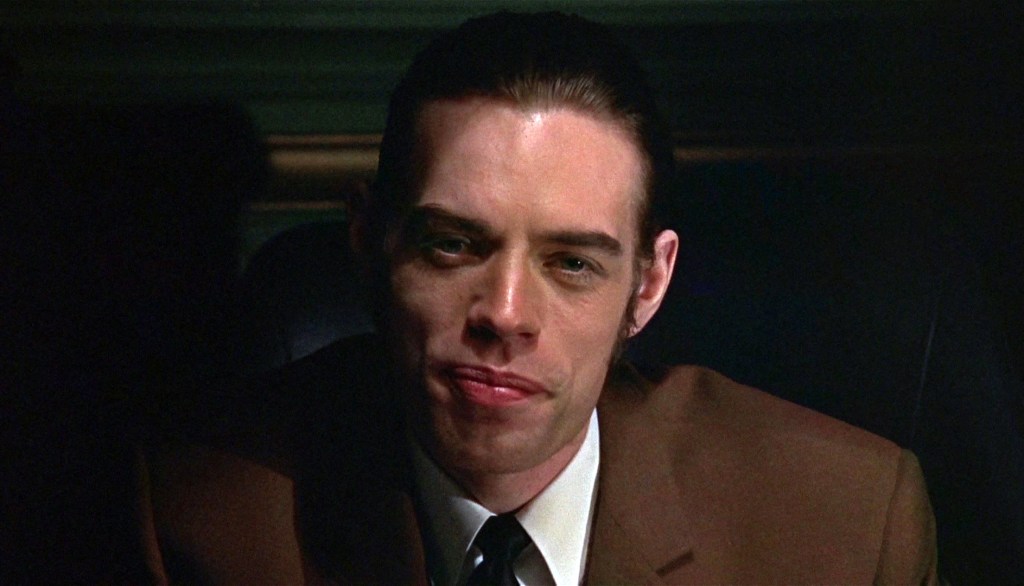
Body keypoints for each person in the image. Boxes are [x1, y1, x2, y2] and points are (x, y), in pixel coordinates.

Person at [141, 11, 937, 584]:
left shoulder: (846, 527)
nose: (505, 314)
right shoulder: (197, 522)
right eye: (453, 245)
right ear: (368, 239)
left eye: (572, 264)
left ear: (649, 285)